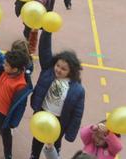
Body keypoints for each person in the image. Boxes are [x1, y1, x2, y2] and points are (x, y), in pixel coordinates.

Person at [29, 31, 86, 159]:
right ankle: (34, 155)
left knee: (55, 142)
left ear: (71, 72)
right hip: (42, 113)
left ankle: (54, 154)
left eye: (63, 69)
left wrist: (71, 133)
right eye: (58, 65)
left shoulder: (77, 90)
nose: (58, 70)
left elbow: (78, 113)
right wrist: (47, 31)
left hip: (59, 121)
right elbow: (44, 49)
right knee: (37, 139)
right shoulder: (48, 72)